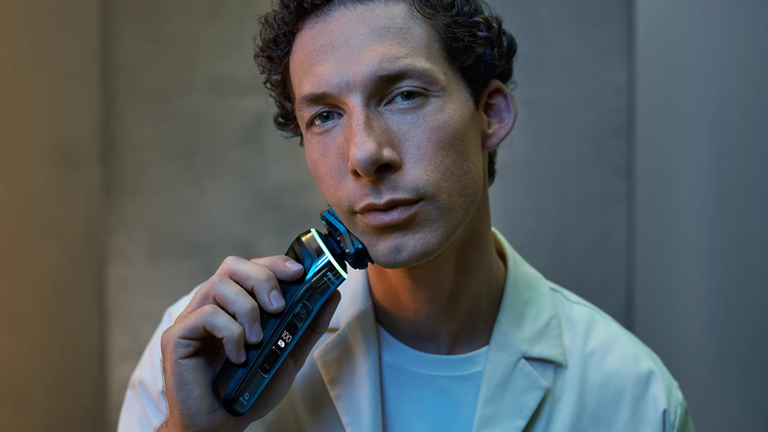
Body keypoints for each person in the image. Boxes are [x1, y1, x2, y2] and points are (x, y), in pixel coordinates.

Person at [118, 1, 693, 431]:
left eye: (404, 95)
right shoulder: (201, 357)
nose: (365, 154)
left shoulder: (635, 397)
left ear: (490, 114)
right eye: (325, 116)